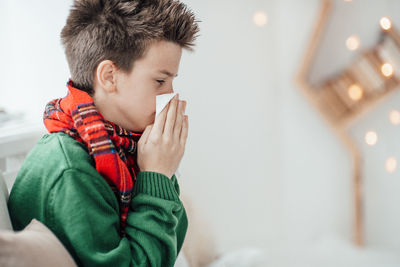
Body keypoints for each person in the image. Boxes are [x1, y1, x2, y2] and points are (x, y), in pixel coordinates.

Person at [8, 0, 199, 266]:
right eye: (160, 81)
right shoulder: (71, 170)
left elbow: (169, 247)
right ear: (109, 76)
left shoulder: (124, 149)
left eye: (172, 81)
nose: (170, 95)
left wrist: (161, 172)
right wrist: (157, 176)